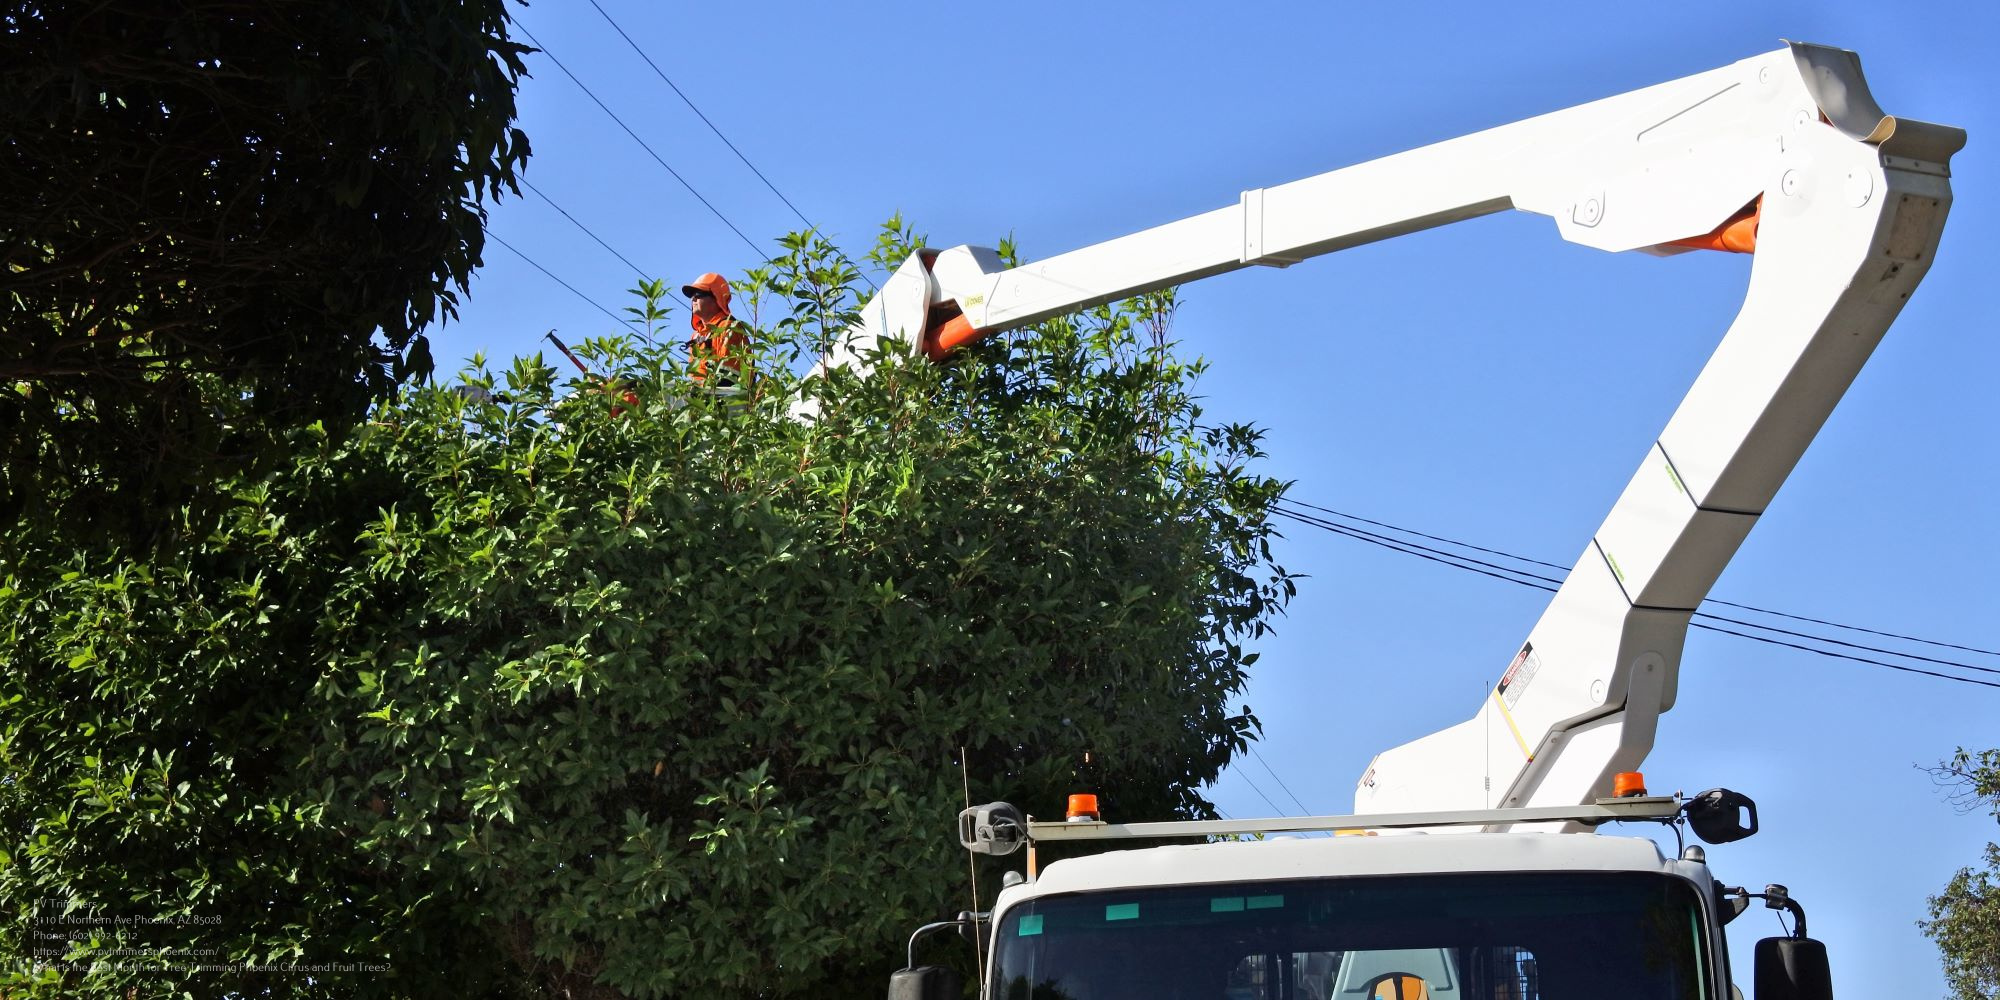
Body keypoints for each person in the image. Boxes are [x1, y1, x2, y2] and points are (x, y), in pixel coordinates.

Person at [681, 272, 745, 387]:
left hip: (724, 400)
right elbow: (694, 377)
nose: (693, 298)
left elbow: (729, 379)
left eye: (698, 293)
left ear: (716, 297)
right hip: (701, 399)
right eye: (692, 295)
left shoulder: (729, 327)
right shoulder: (696, 336)